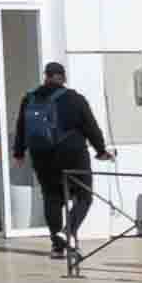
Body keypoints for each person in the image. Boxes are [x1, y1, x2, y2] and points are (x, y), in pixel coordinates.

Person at [12, 65, 105, 270]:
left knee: (52, 198)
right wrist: (101, 150)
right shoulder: (74, 98)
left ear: (45, 76)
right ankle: (68, 231)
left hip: (42, 156)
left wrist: (18, 152)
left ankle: (56, 246)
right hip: (73, 156)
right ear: (63, 78)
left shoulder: (30, 98)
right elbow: (90, 126)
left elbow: (21, 126)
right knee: (84, 196)